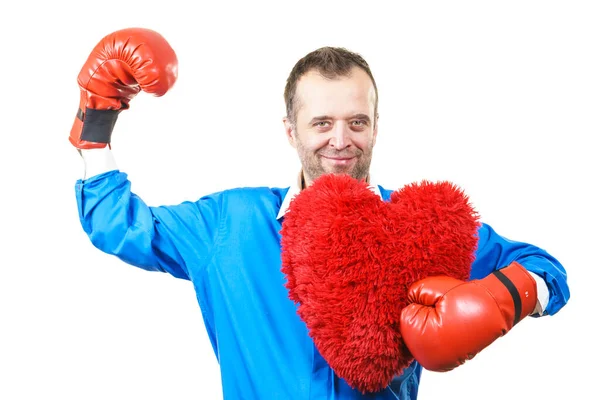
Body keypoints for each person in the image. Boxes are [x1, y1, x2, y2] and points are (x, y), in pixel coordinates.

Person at [70, 28, 570, 400]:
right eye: (321, 122)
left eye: (357, 121)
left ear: (376, 127)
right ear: (291, 130)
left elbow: (549, 272)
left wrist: (506, 299)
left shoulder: (424, 229)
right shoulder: (231, 223)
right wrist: (96, 121)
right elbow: (116, 224)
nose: (340, 140)